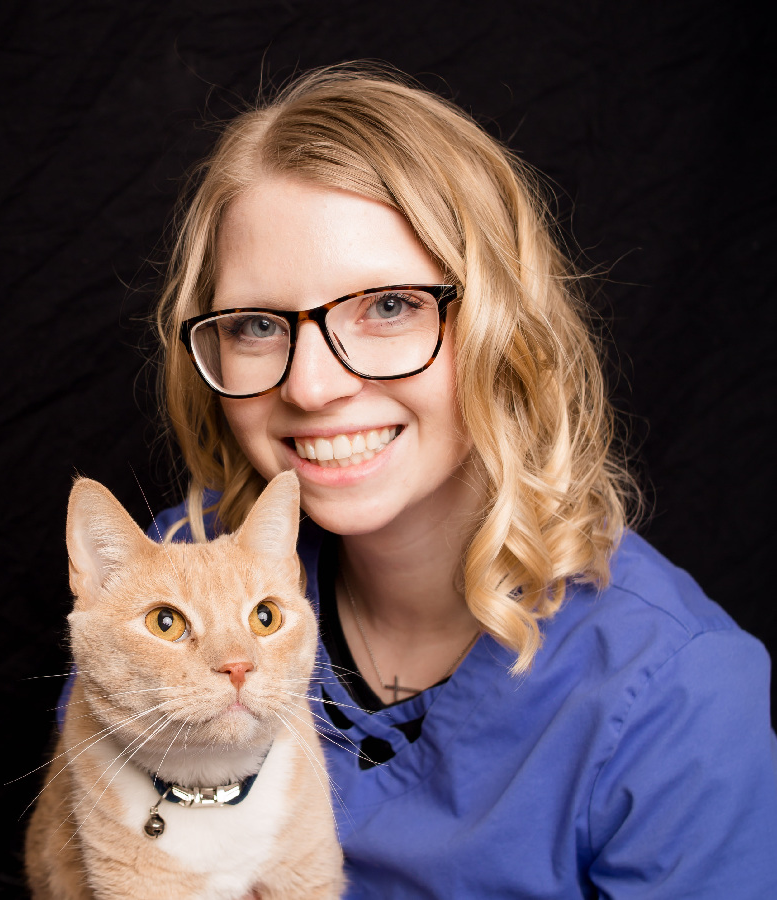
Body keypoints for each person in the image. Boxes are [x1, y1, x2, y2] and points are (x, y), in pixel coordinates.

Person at [86, 65, 777, 897]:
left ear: (503, 322)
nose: (310, 387)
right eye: (258, 324)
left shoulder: (681, 696)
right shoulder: (173, 573)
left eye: (386, 307)